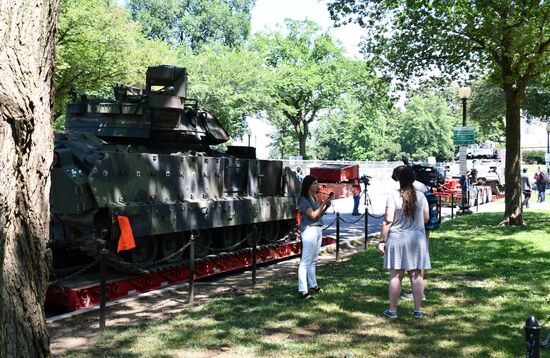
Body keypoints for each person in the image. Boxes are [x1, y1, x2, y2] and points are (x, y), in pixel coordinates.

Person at [378, 166, 430, 318]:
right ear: (413, 179)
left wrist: (382, 240)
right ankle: (418, 310)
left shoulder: (393, 196)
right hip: (417, 239)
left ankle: (393, 310)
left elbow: (388, 220)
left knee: (395, 275)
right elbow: (426, 218)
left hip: (397, 238)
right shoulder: (421, 196)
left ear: (399, 180)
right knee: (416, 275)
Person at [297, 175, 333, 300]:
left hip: (317, 229)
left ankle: (313, 285)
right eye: (315, 184)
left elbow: (318, 215)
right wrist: (323, 203)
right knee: (305, 261)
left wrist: (326, 206)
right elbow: (312, 215)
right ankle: (303, 290)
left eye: (317, 183)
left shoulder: (312, 198)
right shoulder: (303, 200)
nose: (317, 186)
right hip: (309, 231)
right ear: (308, 186)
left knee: (313, 260)